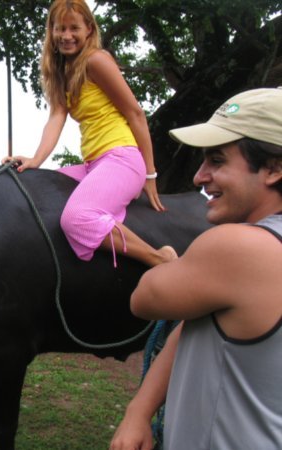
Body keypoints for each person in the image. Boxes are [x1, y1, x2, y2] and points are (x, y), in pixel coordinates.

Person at [110, 87, 282, 450]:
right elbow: (197, 323)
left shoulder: (240, 249)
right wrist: (139, 412)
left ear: (274, 169)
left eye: (217, 161)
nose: (199, 177)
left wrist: (170, 261)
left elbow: (144, 299)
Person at [2, 0, 176, 267]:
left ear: (89, 30)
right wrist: (35, 160)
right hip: (93, 164)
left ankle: (159, 258)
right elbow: (57, 117)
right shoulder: (62, 72)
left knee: (76, 218)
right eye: (60, 28)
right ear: (51, 31)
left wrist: (150, 174)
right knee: (38, 189)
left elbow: (136, 114)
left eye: (74, 28)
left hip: (122, 159)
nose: (67, 36)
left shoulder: (96, 60)